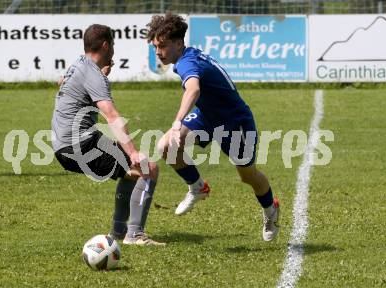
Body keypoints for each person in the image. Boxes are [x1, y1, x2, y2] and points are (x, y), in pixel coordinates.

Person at [147, 13, 280, 241]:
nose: (158, 52)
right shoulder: (185, 57)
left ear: (179, 43)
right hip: (208, 117)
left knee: (248, 176)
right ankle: (197, 187)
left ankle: (271, 210)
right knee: (166, 146)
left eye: (163, 46)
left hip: (234, 122)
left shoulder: (187, 62)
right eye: (155, 47)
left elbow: (194, 90)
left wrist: (178, 120)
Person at [52, 24, 164, 246]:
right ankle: (135, 235)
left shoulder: (78, 65)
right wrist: (133, 153)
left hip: (64, 144)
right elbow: (111, 116)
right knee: (147, 169)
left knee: (129, 173)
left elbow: (65, 83)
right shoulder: (92, 74)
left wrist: (102, 76)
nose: (113, 49)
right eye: (112, 44)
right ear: (105, 45)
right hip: (80, 144)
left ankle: (119, 232)